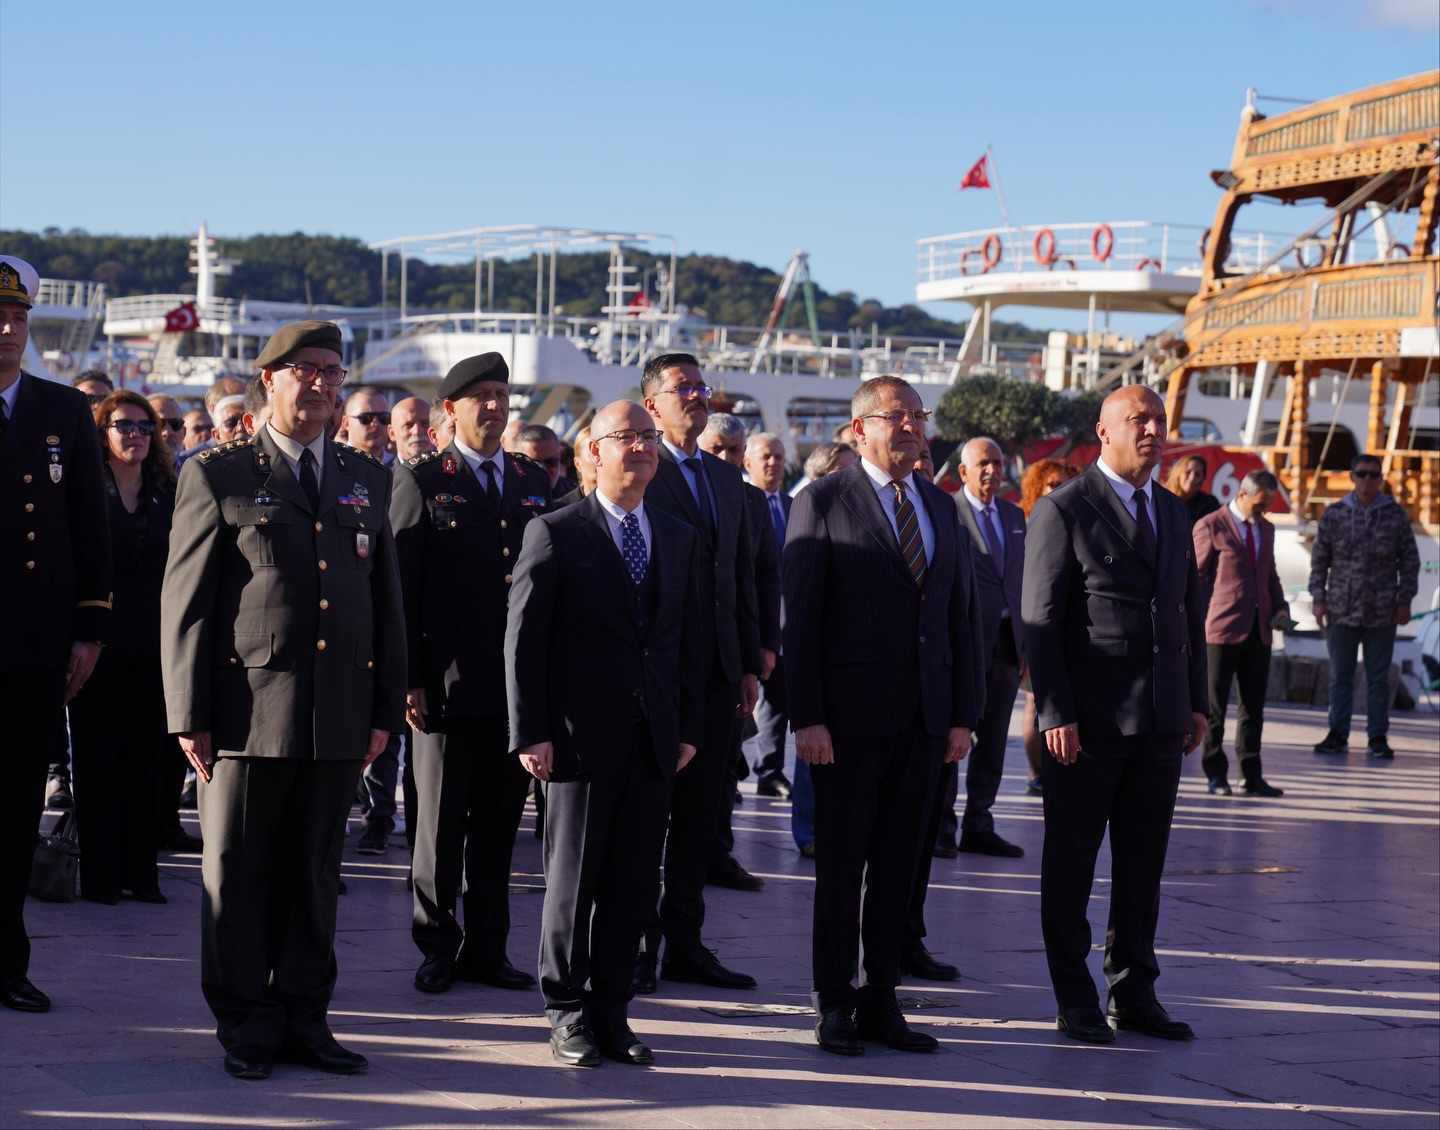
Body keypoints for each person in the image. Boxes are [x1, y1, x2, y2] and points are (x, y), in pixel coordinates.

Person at [160, 320, 406, 1080]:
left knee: (312, 873)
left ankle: (305, 1016)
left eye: (335, 372)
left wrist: (381, 712)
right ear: (270, 379)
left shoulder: (367, 477)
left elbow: (383, 604)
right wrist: (188, 716)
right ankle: (246, 1023)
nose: (326, 385)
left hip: (335, 711)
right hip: (245, 714)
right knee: (239, 875)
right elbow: (188, 605)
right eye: (308, 371)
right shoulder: (219, 473)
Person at [784, 375, 984, 1056]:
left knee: (901, 867)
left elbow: (959, 615)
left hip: (924, 719)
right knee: (843, 869)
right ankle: (834, 1002)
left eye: (918, 417)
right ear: (859, 427)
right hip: (847, 721)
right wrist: (807, 716)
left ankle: (881, 1000)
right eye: (896, 417)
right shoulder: (822, 500)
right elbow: (801, 621)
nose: (911, 428)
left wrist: (963, 712)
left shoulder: (938, 503)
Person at [507, 400, 704, 1067]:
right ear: (590, 450)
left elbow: (683, 644)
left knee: (629, 886)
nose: (641, 448)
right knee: (573, 883)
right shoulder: (556, 532)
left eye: (649, 437)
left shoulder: (677, 535)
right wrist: (530, 732)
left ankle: (612, 1010)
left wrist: (687, 727)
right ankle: (565, 1012)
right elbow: (524, 643)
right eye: (626, 437)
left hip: (653, 740)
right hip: (577, 741)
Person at [1023, 384, 1207, 1046]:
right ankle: (1075, 997)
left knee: (1142, 865)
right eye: (1138, 419)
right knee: (1071, 864)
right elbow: (1040, 622)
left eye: (1159, 418)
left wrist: (1196, 700)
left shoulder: (1171, 511)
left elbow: (1185, 612)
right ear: (1104, 432)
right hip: (1087, 725)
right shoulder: (1064, 509)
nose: (1153, 429)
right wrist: (1054, 710)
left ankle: (1135, 992)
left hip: (1159, 721)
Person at [390, 353, 551, 995]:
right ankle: (436, 945)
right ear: (450, 410)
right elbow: (403, 584)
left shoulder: (531, 478)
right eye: (479, 396)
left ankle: (488, 947)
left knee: (497, 826)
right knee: (438, 823)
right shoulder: (424, 480)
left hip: (512, 688)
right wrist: (410, 678)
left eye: (501, 394)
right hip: (446, 683)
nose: (493, 406)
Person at [0, 255, 112, 1014]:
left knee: (13, 811)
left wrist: (89, 629)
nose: (7, 331)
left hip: (32, 646)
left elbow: (88, 531)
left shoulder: (62, 411)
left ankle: (7, 959)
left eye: (17, 319)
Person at [633, 353, 762, 995]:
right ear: (652, 403)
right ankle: (633, 946)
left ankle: (685, 942)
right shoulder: (638, 469)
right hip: (655, 673)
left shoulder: (726, 478)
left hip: (715, 675)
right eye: (684, 388)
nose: (698, 396)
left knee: (698, 820)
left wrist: (744, 662)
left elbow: (739, 574)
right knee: (645, 816)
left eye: (702, 386)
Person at [68, 391, 178, 904]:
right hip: (100, 647)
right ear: (102, 433)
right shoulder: (85, 489)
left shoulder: (169, 491)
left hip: (156, 649)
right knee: (97, 762)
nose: (135, 434)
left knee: (146, 762)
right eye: (123, 425)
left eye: (144, 426)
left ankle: (143, 873)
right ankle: (102, 878)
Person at [697, 414, 780, 892]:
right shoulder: (668, 486)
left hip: (732, 655)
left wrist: (763, 647)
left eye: (734, 451)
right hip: (680, 653)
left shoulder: (750, 500)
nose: (727, 459)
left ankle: (717, 852)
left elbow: (763, 578)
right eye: (718, 449)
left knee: (727, 763)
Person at [1309, 453, 1420, 759]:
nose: (1368, 480)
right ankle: (1337, 733)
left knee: (1378, 678)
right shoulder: (1334, 514)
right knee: (1340, 676)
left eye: (1374, 475)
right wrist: (1318, 599)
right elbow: (1320, 560)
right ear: (1352, 477)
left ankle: (1377, 736)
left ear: (1381, 478)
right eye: (1363, 473)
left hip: (1382, 611)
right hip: (1341, 610)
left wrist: (1404, 601)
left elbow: (1409, 561)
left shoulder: (1395, 515)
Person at [1193, 469, 1288, 797]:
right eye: (1261, 504)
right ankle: (1215, 773)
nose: (1264, 511)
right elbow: (1196, 579)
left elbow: (1270, 575)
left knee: (1253, 708)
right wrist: (1191, 624)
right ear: (1243, 495)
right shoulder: (1210, 526)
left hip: (1259, 631)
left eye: (1269, 506)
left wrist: (1281, 609)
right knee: (1214, 708)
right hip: (1220, 630)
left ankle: (1251, 773)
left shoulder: (1267, 530)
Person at [1015, 459, 1083, 796]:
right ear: (1037, 488)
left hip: (1067, 633)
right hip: (1032, 627)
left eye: (1065, 482)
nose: (1059, 489)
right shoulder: (1030, 523)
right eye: (1052, 484)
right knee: (1034, 704)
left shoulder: (1077, 521)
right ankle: (1035, 772)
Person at [741, 431, 793, 799]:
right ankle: (734, 769)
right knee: (749, 700)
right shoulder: (742, 504)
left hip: (792, 620)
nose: (773, 463)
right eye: (765, 457)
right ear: (748, 463)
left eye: (778, 456)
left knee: (781, 701)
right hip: (756, 618)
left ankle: (770, 771)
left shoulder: (796, 505)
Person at [512, 423, 573, 494]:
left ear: (559, 457)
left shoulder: (576, 498)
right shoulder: (501, 494)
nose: (543, 469)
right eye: (533, 463)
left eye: (551, 462)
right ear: (515, 462)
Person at [1165, 454, 1221, 527]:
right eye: (1188, 472)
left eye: (1197, 474)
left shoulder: (1209, 504)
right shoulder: (1161, 497)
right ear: (1178, 473)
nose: (1192, 478)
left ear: (1203, 480)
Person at [343, 389, 391, 462]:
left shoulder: (400, 468)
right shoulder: (332, 464)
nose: (376, 424)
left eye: (384, 417)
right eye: (366, 418)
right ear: (346, 422)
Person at [553, 425, 594, 506]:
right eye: (592, 454)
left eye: (606, 453)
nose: (599, 459)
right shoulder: (560, 510)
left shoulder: (625, 502)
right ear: (578, 463)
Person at [389, 397, 432, 462]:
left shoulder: (448, 469)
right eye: (408, 425)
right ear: (392, 433)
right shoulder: (383, 472)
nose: (417, 431)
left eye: (425, 424)